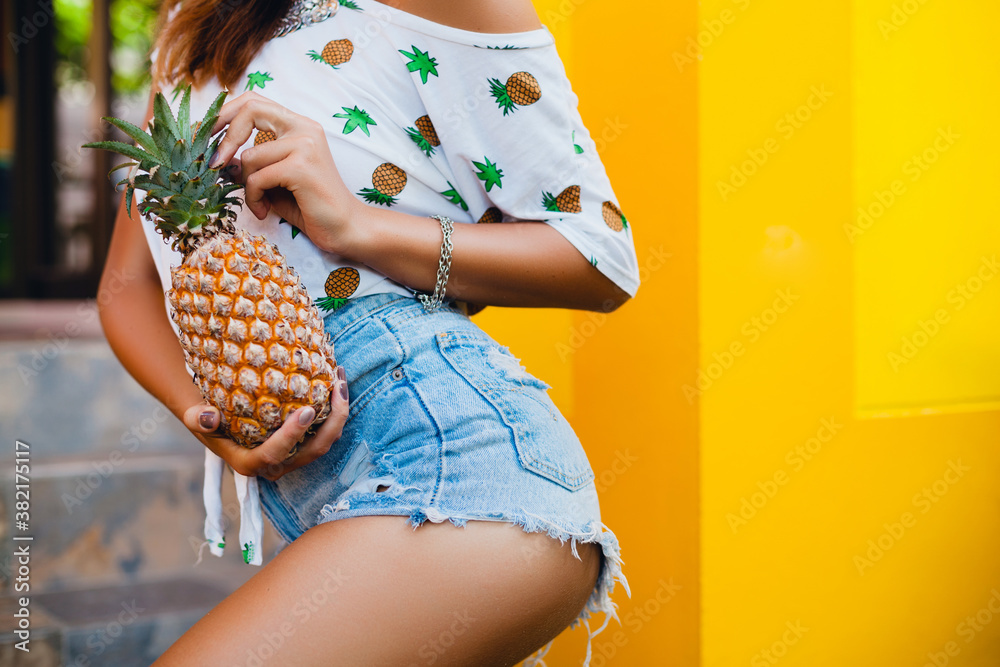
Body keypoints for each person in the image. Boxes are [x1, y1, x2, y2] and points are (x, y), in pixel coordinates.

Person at [98, 0, 640, 663]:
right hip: (315, 496)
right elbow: (125, 290)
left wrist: (359, 227)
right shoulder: (193, 28)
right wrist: (208, 418)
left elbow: (601, 255)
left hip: (449, 450)